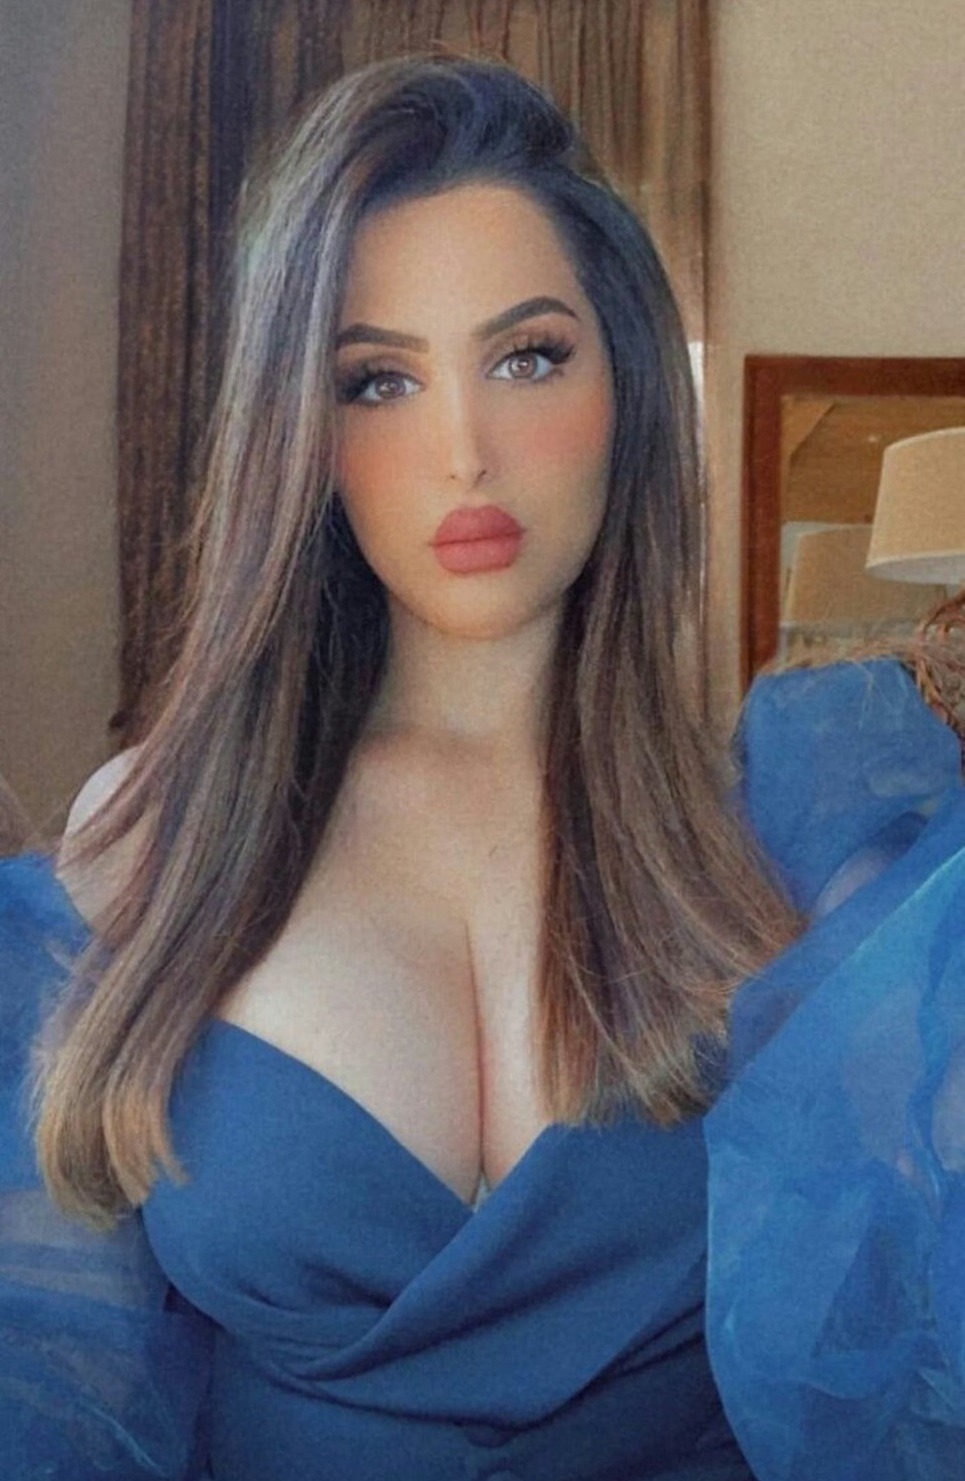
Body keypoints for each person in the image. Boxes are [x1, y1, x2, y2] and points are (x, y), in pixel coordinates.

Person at [0, 50, 962, 1481]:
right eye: (378, 380)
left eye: (526, 357)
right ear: (300, 435)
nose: (462, 452)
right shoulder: (156, 832)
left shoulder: (798, 834)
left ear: (627, 381)